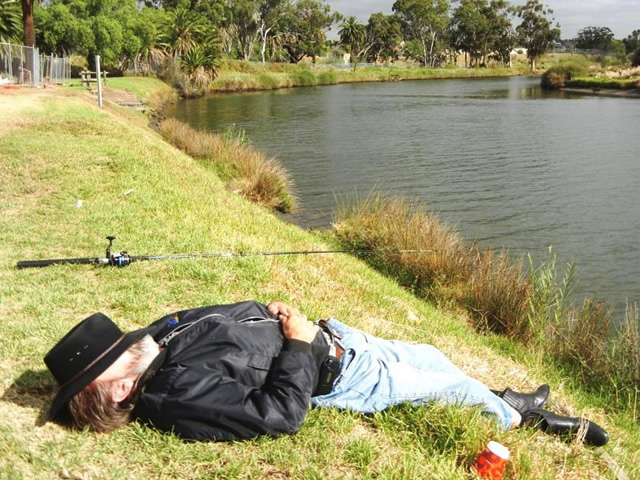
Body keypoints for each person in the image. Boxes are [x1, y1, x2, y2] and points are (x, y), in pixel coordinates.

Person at [44, 300, 608, 446]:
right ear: (118, 387)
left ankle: (502, 398)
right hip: (342, 373)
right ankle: (524, 417)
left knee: (433, 357)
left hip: (337, 338)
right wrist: (299, 343)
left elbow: (214, 324)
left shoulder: (158, 347)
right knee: (448, 385)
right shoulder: (174, 394)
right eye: (120, 350)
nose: (133, 339)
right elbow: (280, 414)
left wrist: (270, 313)